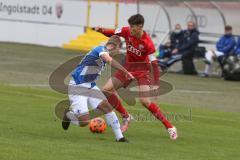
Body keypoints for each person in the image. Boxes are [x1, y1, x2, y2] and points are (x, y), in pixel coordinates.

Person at [93, 14, 178, 140]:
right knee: (106, 90)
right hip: (127, 68)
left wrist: (155, 84)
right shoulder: (127, 31)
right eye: (130, 26)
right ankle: (126, 116)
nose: (130, 29)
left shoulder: (147, 43)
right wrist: (101, 30)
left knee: (145, 101)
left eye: (133, 27)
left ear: (140, 27)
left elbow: (154, 63)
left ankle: (170, 127)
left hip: (142, 72)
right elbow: (112, 32)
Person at [62, 35, 134, 142]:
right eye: (119, 49)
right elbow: (108, 59)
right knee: (84, 122)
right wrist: (126, 72)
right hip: (78, 86)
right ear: (116, 46)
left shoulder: (104, 52)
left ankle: (120, 137)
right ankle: (69, 116)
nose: (119, 52)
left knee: (107, 107)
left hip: (90, 86)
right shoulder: (101, 49)